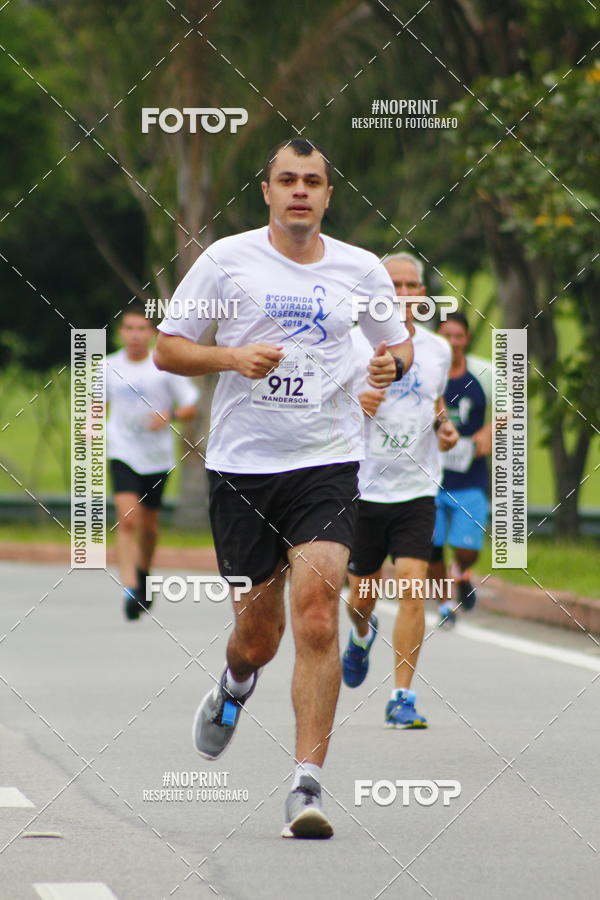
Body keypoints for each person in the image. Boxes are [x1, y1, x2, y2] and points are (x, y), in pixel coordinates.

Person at [153, 138, 413, 839]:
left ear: (330, 196)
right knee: (259, 638)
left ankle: (306, 785)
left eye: (313, 181)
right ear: (265, 192)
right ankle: (236, 682)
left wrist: (388, 368)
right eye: (287, 180)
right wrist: (231, 356)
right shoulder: (225, 260)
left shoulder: (361, 269)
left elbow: (398, 348)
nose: (300, 190)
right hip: (242, 470)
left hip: (326, 463)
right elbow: (169, 347)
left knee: (319, 616)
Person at [343, 253, 458, 727]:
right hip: (362, 490)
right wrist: (357, 408)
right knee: (362, 598)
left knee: (413, 590)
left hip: (417, 489)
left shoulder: (436, 350)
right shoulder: (350, 345)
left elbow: (434, 403)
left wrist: (444, 428)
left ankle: (402, 698)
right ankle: (361, 635)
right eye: (396, 285)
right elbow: (323, 414)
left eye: (413, 285)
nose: (406, 293)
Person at [106, 303, 199, 620]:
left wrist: (169, 415)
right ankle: (131, 589)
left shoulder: (164, 367)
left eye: (141, 329)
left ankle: (143, 573)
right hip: (122, 450)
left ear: (152, 334)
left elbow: (190, 407)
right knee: (128, 519)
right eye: (129, 329)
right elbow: (94, 405)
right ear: (121, 334)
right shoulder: (107, 367)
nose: (134, 335)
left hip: (157, 457)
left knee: (149, 525)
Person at [429, 311, 493, 625]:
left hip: (470, 478)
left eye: (458, 336)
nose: (452, 343)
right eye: (446, 336)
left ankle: (462, 570)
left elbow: (513, 410)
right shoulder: (426, 371)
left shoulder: (484, 374)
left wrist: (491, 431)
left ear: (466, 339)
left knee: (466, 547)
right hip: (429, 478)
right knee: (432, 546)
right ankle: (444, 604)